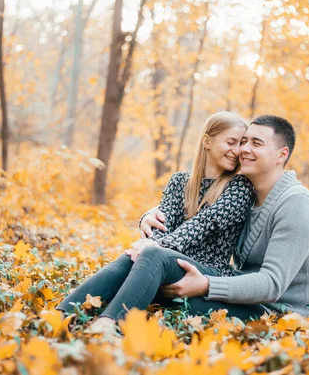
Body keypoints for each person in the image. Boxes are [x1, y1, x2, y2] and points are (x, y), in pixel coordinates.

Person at [55, 112, 255, 333]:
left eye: (241, 144)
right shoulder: (179, 181)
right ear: (207, 141)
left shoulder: (239, 187)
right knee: (136, 255)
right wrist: (151, 242)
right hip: (168, 262)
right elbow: (163, 222)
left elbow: (203, 224)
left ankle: (109, 323)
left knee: (152, 253)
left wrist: (157, 246)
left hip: (208, 271)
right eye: (231, 142)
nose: (237, 151)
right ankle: (61, 314)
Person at [140, 115, 309, 318]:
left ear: (281, 155)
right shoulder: (248, 196)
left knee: (165, 290)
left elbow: (272, 284)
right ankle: (104, 309)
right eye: (244, 141)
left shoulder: (297, 205)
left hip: (283, 316)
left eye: (256, 143)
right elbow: (202, 211)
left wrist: (206, 285)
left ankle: (107, 315)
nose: (243, 149)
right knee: (158, 280)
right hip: (247, 299)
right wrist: (149, 215)